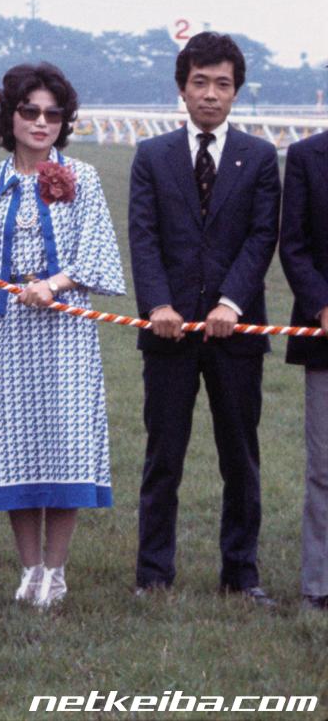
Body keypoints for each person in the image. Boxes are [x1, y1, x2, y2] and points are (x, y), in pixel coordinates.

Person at [0, 63, 125, 607]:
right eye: (30, 111)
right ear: (11, 116)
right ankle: (29, 568)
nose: (41, 122)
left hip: (66, 331)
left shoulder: (85, 178)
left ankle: (57, 568)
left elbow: (96, 250)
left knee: (65, 444)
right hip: (8, 331)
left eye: (53, 114)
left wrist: (55, 283)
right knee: (15, 446)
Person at [128, 32, 280, 605]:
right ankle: (153, 576)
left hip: (235, 335)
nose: (210, 95)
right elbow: (143, 238)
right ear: (181, 88)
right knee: (163, 456)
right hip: (167, 334)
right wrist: (158, 307)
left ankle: (241, 575)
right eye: (200, 83)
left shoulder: (260, 157)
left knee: (240, 457)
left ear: (236, 91)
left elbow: (261, 236)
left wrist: (230, 305)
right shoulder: (151, 156)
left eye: (222, 84)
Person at [279, 127, 328, 609]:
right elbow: (292, 246)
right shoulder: (306, 156)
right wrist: (322, 305)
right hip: (325, 337)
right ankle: (319, 584)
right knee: (324, 467)